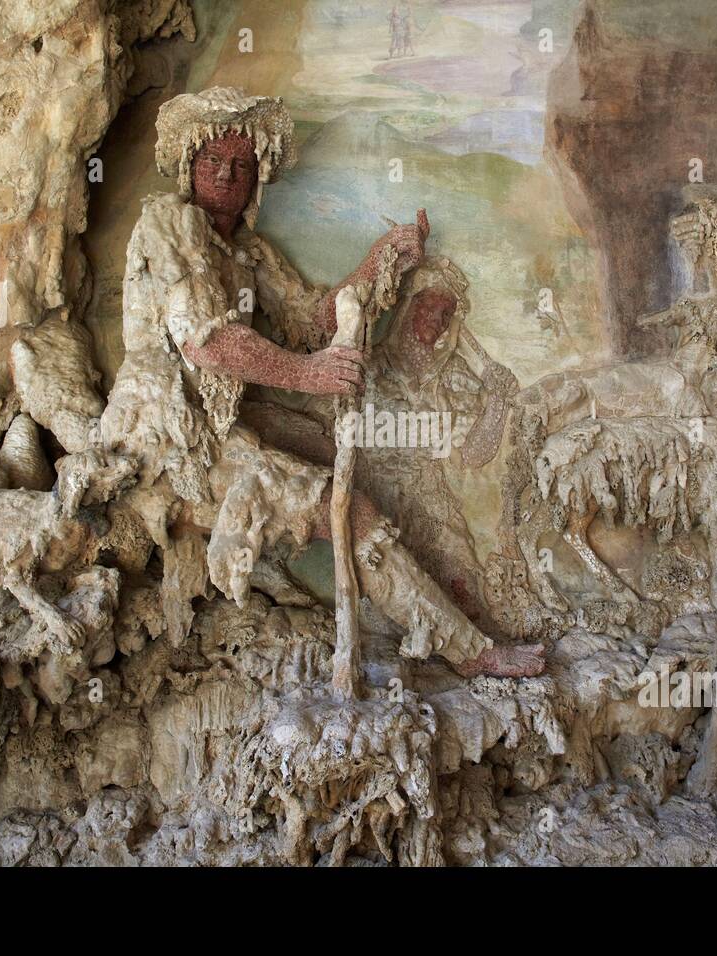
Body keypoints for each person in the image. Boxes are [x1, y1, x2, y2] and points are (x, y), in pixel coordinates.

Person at [98, 87, 543, 678]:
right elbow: (205, 341)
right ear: (189, 165)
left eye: (241, 164)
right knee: (350, 509)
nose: (226, 175)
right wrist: (309, 375)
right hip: (171, 438)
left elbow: (310, 319)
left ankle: (424, 609)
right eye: (212, 161)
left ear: (257, 174)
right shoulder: (168, 224)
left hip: (223, 421)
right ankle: (469, 653)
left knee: (366, 456)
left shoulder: (248, 253)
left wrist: (382, 259)